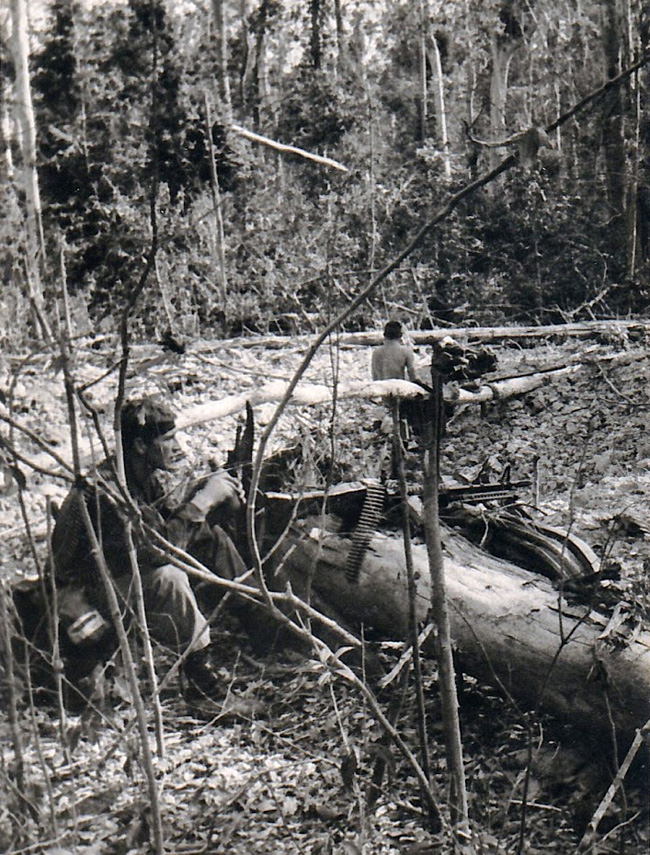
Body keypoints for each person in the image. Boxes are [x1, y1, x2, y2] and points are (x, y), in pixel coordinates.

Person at [50, 397, 247, 700]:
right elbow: (158, 550)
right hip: (84, 602)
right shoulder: (106, 491)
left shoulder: (141, 478)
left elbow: (173, 530)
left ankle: (262, 626)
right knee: (169, 578)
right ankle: (203, 689)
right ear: (140, 446)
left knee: (212, 539)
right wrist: (203, 500)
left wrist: (218, 500)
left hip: (121, 580)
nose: (177, 446)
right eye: (167, 439)